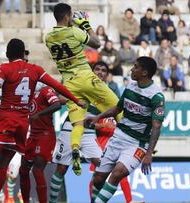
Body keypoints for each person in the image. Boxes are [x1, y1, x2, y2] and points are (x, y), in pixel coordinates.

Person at [0, 38, 85, 203]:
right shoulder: (35, 70)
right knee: (4, 164)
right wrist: (76, 100)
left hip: (6, 120)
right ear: (23, 54)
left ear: (7, 54)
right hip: (22, 125)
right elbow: (57, 86)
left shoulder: (5, 68)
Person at [45, 3, 120, 176]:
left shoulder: (48, 37)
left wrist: (72, 24)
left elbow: (64, 39)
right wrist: (85, 25)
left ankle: (75, 148)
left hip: (69, 84)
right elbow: (96, 43)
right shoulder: (74, 32)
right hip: (85, 77)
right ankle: (134, 141)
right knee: (118, 106)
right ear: (67, 16)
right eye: (71, 16)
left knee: (77, 123)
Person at [87, 56, 165, 203]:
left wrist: (148, 154)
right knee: (98, 179)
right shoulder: (130, 86)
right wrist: (98, 117)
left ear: (144, 72)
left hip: (137, 144)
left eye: (135, 67)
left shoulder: (156, 96)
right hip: (118, 137)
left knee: (117, 174)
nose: (131, 69)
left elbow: (156, 127)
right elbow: (117, 108)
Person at [49, 61, 129, 203]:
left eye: (103, 70)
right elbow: (61, 99)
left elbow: (116, 111)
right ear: (92, 71)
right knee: (61, 169)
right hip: (71, 127)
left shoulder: (107, 92)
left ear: (107, 75)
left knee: (102, 167)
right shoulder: (82, 83)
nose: (100, 72)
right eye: (97, 69)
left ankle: (94, 200)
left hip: (90, 133)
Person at [19, 82, 61, 203]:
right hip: (32, 135)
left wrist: (39, 114)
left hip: (45, 135)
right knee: (23, 171)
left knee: (37, 170)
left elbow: (57, 104)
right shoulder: (28, 94)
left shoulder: (45, 90)